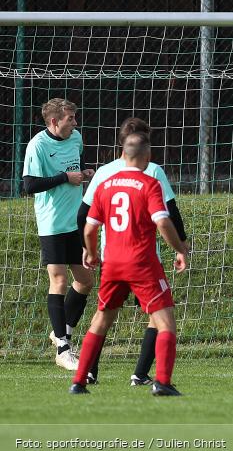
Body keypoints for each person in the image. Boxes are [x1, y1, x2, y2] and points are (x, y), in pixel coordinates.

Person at [70, 132, 189, 395]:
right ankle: (162, 382)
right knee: (165, 321)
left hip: (111, 264)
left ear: (123, 155)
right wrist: (180, 248)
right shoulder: (149, 183)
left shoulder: (106, 184)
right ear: (147, 157)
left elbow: (89, 227)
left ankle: (78, 382)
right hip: (142, 263)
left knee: (101, 320)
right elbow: (163, 221)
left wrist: (91, 253)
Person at [22, 98, 95, 371]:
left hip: (75, 221)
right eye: (70, 119)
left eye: (75, 118)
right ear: (54, 121)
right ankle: (63, 349)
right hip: (51, 223)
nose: (75, 123)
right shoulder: (37, 145)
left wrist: (84, 172)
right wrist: (66, 177)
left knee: (86, 280)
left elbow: (78, 163)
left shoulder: (75, 137)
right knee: (59, 279)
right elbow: (29, 185)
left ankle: (60, 330)